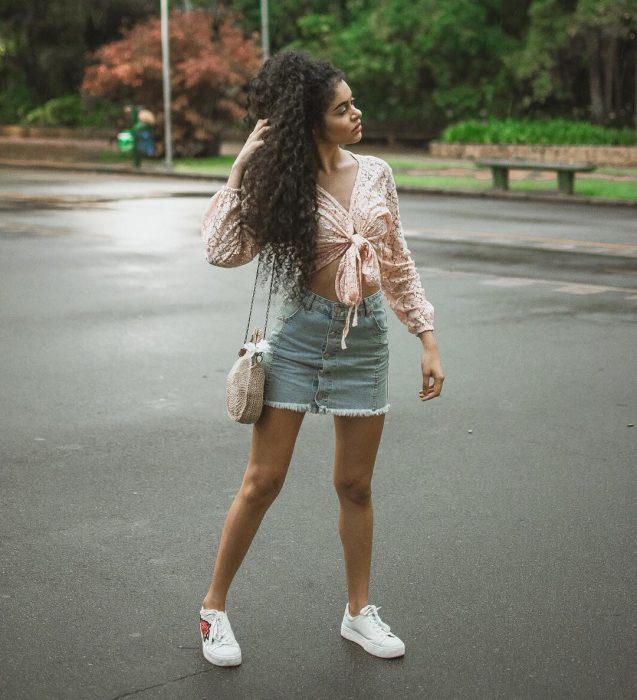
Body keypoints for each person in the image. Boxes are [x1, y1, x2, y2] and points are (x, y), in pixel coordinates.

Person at [199, 49, 444, 667]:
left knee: (355, 485)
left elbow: (397, 262)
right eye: (342, 108)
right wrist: (237, 171)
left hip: (365, 341)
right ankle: (214, 610)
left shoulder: (377, 174)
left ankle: (358, 612)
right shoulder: (282, 184)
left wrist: (426, 336)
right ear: (312, 122)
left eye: (353, 103)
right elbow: (223, 251)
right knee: (263, 482)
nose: (356, 113)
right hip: (299, 336)